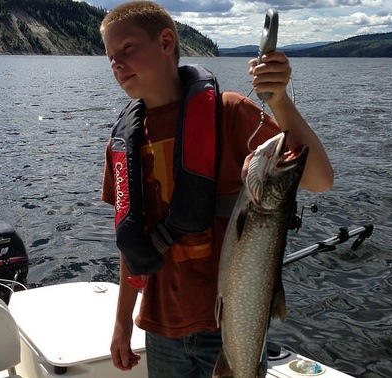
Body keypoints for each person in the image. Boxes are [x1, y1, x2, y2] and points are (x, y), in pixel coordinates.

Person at [99, 1, 334, 377]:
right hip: (160, 327)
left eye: (127, 49)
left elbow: (320, 180)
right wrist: (123, 321)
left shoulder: (230, 112)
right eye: (110, 56)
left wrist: (278, 99)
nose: (117, 63)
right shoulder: (121, 143)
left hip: (229, 327)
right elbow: (130, 241)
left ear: (165, 42)